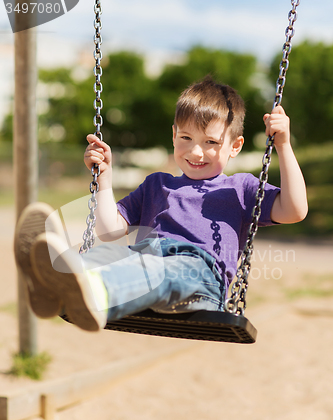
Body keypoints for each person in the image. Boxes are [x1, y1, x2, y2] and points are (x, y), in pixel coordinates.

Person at [14, 77, 308, 332]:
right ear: (173, 135)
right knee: (108, 255)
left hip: (198, 276)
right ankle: (54, 282)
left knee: (154, 270)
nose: (196, 151)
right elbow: (110, 232)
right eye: (186, 137)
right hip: (143, 259)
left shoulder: (240, 188)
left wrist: (282, 145)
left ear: (235, 146)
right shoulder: (157, 185)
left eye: (211, 142)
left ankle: (96, 294)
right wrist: (104, 179)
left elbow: (295, 210)